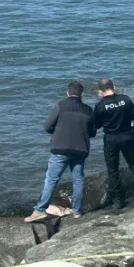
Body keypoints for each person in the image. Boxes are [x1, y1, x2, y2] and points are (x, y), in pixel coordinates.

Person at [25, 81, 96, 222]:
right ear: (81, 94)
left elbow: (48, 127)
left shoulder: (60, 106)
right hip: (80, 149)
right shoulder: (88, 110)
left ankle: (40, 210)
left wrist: (58, 131)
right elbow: (92, 132)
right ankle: (77, 211)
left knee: (51, 180)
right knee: (78, 180)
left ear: (67, 93)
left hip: (60, 149)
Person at [93, 78, 134, 209]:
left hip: (111, 139)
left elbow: (96, 125)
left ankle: (118, 200)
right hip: (127, 137)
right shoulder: (126, 99)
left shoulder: (100, 105)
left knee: (113, 170)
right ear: (113, 87)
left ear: (100, 92)